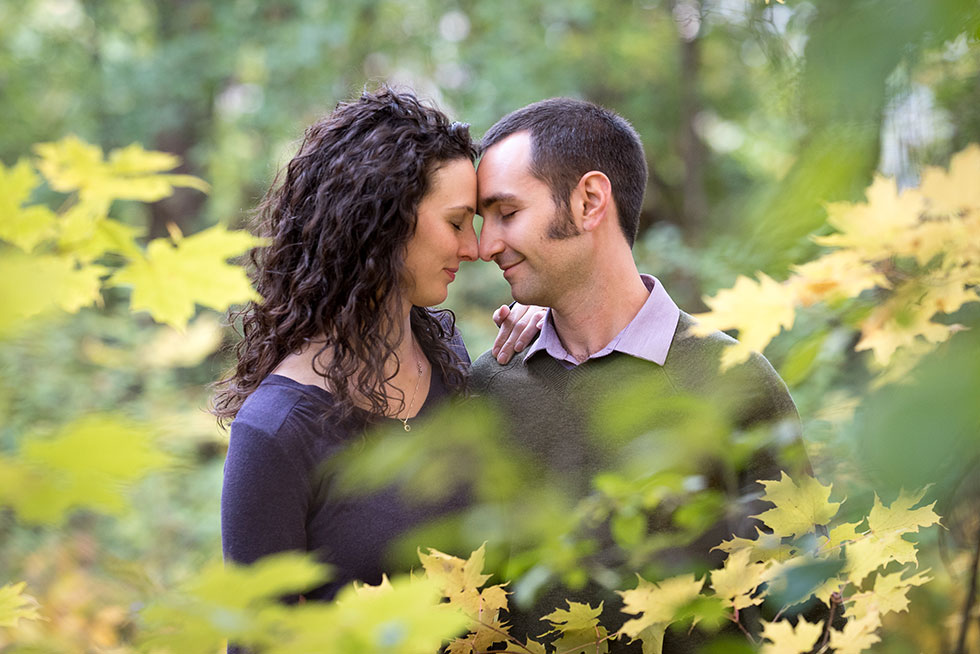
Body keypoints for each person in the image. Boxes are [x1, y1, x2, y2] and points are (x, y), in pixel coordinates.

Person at [470, 98, 805, 650]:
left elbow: (800, 609)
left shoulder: (736, 381)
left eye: (507, 213)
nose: (486, 246)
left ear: (589, 202)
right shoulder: (492, 385)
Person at [212, 87, 541, 605]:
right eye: (456, 222)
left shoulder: (445, 353)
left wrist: (552, 321)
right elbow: (260, 640)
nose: (474, 247)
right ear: (380, 222)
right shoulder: (274, 431)